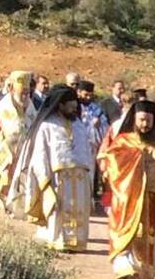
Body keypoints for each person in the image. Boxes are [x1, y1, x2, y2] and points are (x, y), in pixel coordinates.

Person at [99, 99, 155, 279]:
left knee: (150, 238)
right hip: (128, 197)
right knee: (129, 234)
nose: (145, 125)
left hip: (153, 200)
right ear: (134, 120)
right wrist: (136, 158)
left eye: (148, 121)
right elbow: (112, 165)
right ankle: (127, 270)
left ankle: (144, 276)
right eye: (141, 120)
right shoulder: (123, 142)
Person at [17, 83, 96, 250]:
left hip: (80, 178)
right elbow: (40, 154)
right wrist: (44, 182)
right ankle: (55, 240)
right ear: (60, 105)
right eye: (71, 105)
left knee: (78, 212)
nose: (75, 109)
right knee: (56, 210)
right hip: (58, 179)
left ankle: (76, 242)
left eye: (76, 106)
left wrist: (90, 180)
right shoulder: (47, 126)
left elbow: (87, 154)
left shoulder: (79, 125)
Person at [0, 70, 33, 207]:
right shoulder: (3, 106)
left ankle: (17, 205)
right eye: (22, 93)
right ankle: (3, 203)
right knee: (5, 177)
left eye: (27, 93)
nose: (24, 96)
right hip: (6, 149)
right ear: (12, 89)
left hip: (24, 151)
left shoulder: (31, 106)